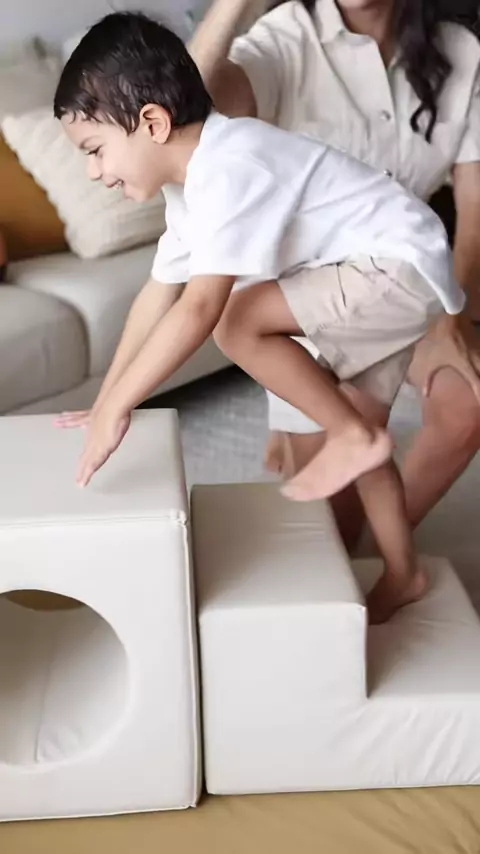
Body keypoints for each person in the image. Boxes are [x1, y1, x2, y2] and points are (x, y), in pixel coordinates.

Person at [54, 11, 464, 622]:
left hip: (396, 265)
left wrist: (121, 409)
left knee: (236, 320)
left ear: (153, 123)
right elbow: (157, 295)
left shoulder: (231, 163)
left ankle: (350, 437)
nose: (94, 172)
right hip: (392, 267)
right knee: (361, 428)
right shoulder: (189, 190)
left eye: (95, 150)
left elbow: (199, 308)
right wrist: (109, 398)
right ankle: (405, 573)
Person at [188, 0, 480, 550]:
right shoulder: (284, 38)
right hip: (304, 299)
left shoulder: (462, 51)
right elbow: (180, 112)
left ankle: (378, 554)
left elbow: (474, 204)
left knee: (467, 404)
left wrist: (452, 317)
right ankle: (351, 547)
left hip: (405, 282)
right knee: (333, 508)